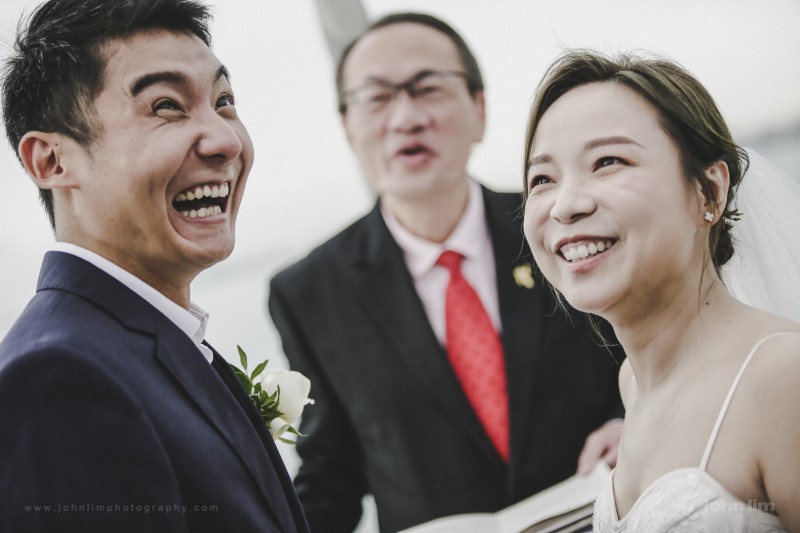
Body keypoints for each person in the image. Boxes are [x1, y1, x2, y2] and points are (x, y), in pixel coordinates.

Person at [268, 13, 625, 533]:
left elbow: (647, 352)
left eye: (427, 88)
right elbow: (331, 471)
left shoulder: (560, 223)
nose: (406, 117)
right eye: (377, 96)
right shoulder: (308, 292)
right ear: (347, 126)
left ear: (479, 109)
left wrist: (630, 421)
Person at [0, 1, 309, 531]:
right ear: (51, 161)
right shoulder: (58, 380)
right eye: (166, 106)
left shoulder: (153, 342)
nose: (226, 140)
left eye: (225, 101)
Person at [522, 50, 800, 531]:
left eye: (607, 161)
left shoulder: (782, 377)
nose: (565, 206)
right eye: (542, 179)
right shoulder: (632, 383)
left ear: (709, 191)